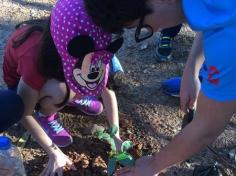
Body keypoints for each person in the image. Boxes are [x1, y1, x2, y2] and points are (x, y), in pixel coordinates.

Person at [84, 0, 236, 175]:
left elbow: (206, 127)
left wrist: (154, 164)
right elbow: (213, 17)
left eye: (142, 26)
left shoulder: (228, 46)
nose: (153, 30)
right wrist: (192, 68)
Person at [2, 0, 124, 175]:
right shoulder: (35, 59)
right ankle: (47, 115)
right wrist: (54, 152)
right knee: (58, 91)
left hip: (59, 75)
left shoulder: (96, 49)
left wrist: (116, 135)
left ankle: (74, 94)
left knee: (68, 90)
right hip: (22, 87)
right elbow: (24, 111)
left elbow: (108, 90)